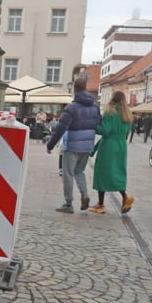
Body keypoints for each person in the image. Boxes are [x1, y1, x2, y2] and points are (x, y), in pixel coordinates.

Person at [47, 77, 101, 213]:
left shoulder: (71, 108)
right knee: (79, 171)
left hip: (72, 145)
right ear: (85, 88)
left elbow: (60, 128)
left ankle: (68, 203)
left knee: (68, 173)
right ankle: (85, 194)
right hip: (88, 145)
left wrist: (51, 144)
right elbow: (98, 123)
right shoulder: (95, 107)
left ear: (75, 89)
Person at [88, 92, 135, 215]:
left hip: (109, 145)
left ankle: (100, 203)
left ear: (112, 99)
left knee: (102, 172)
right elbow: (127, 134)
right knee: (118, 172)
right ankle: (125, 197)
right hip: (121, 146)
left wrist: (93, 125)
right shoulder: (128, 114)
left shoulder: (110, 112)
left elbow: (105, 130)